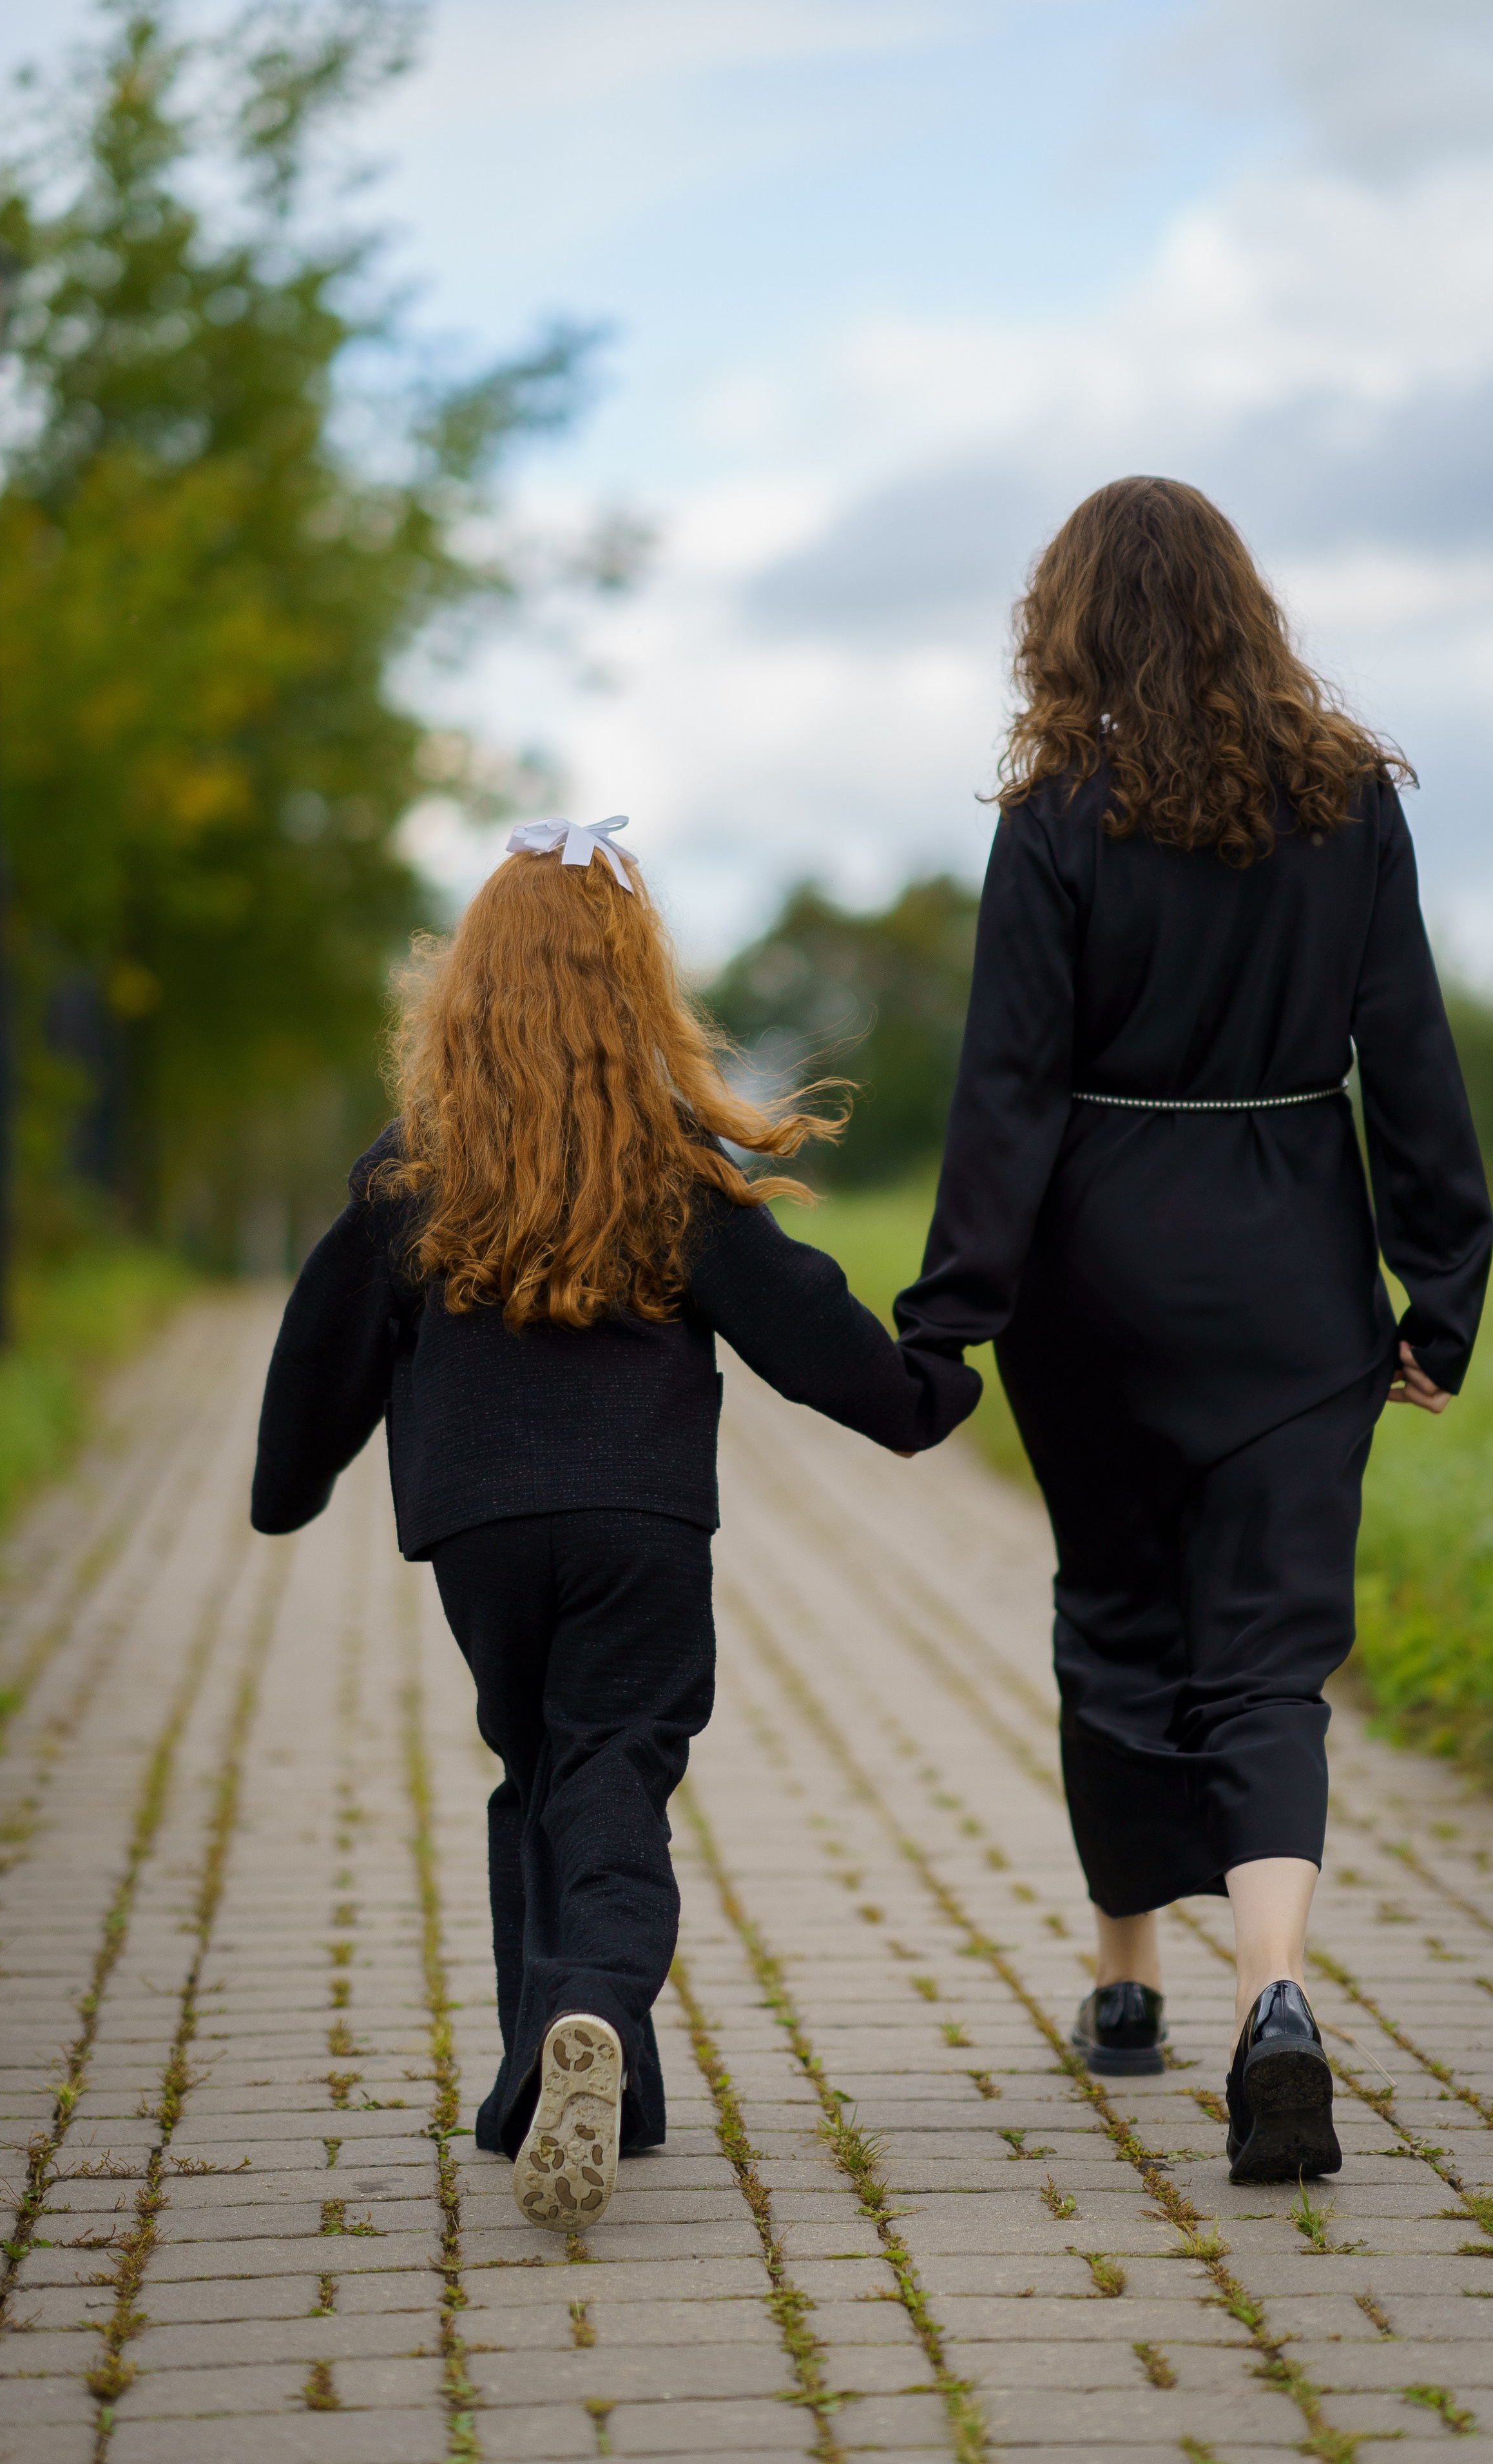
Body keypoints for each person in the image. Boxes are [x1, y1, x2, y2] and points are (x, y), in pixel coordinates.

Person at [251, 817, 979, 2232]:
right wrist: (929, 1383)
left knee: (539, 1768)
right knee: (610, 1775)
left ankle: (567, 2079)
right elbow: (809, 1333)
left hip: (477, 1532)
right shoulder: (668, 1164)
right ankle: (587, 2011)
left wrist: (289, 1492)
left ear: (469, 985)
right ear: (634, 986)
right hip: (637, 1524)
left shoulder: (415, 1166)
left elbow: (322, 1345)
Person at [895, 478, 1492, 2182]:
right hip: (1296, 1274)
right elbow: (1415, 1062)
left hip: (1097, 1282)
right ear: (1247, 605)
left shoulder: (1054, 814)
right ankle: (1275, 1991)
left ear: (1068, 619)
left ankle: (1125, 1982)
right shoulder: (1352, 805)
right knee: (1271, 1647)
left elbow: (1004, 1088)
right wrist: (1440, 1293)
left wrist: (949, 1325)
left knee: (1119, 1615)